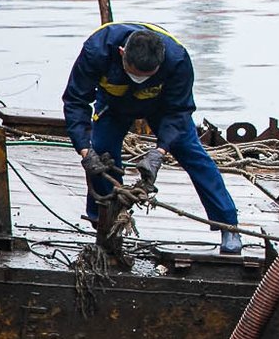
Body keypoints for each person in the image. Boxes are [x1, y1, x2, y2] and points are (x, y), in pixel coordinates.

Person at [62, 22, 242, 254]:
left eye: (147, 75)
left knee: (193, 155)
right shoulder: (97, 50)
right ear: (121, 54)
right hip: (113, 104)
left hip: (163, 107)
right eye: (135, 74)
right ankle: (103, 222)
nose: (140, 79)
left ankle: (228, 224)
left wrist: (160, 152)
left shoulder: (177, 59)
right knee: (102, 155)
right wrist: (84, 150)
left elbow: (179, 110)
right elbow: (76, 100)